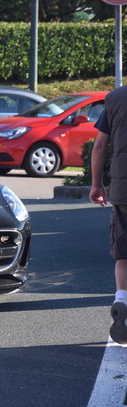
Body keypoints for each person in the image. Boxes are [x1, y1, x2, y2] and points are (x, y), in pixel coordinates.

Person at [89, 85, 127, 344]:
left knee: (123, 252)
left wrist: (96, 184)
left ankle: (121, 299)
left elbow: (99, 146)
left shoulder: (115, 98)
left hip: (123, 188)